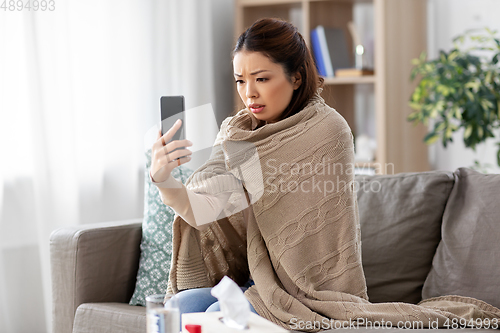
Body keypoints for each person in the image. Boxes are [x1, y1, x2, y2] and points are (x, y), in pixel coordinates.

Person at [151, 18, 500, 332]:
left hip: (308, 294)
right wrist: (166, 181)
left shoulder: (327, 130)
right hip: (254, 280)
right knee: (181, 306)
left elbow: (254, 195)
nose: (249, 93)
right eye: (240, 80)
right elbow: (209, 208)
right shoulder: (237, 132)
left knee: (214, 314)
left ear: (295, 77)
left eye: (262, 79)